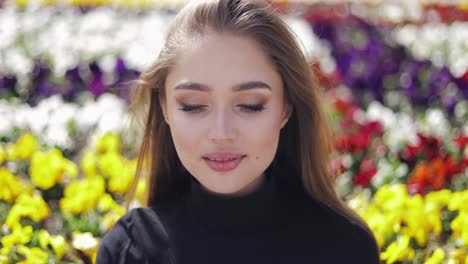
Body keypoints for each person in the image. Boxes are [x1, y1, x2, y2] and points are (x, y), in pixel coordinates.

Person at [96, 0, 381, 263]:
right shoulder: (130, 250)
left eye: (250, 105)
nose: (221, 133)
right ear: (166, 108)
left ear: (286, 108)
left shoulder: (345, 248)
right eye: (194, 106)